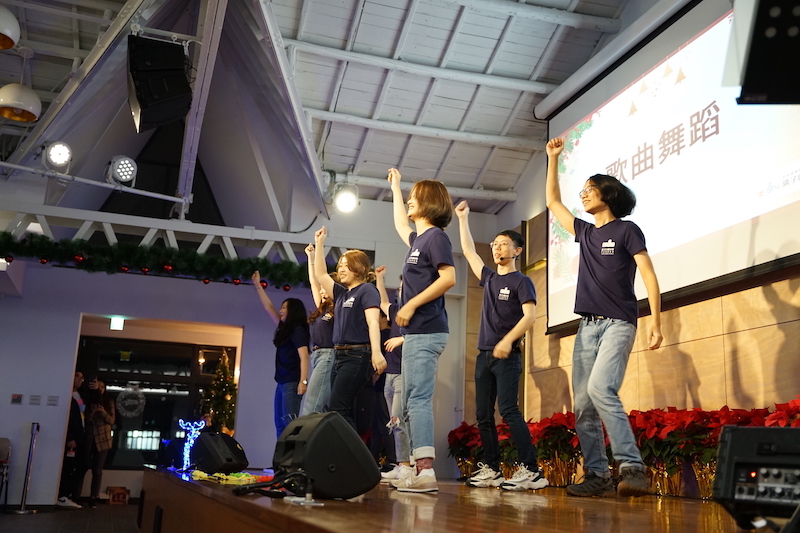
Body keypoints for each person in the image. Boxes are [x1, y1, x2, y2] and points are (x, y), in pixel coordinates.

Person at [545, 137, 663, 498]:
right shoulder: (585, 232)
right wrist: (553, 158)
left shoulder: (627, 230)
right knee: (583, 406)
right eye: (581, 190)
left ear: (608, 194)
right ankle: (597, 475)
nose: (583, 194)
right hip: (587, 327)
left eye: (590, 189)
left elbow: (648, 273)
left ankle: (633, 468)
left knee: (600, 389)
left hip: (618, 323)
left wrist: (656, 321)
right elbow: (553, 202)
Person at [455, 200, 549, 492]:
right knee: (483, 415)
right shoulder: (490, 277)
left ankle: (532, 470)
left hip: (508, 356)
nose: (497, 248)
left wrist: (508, 341)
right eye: (495, 244)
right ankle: (493, 469)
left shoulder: (522, 282)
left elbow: (530, 316)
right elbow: (469, 251)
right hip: (484, 355)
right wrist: (463, 219)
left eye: (504, 244)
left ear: (517, 251)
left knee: (509, 411)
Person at [388, 167, 456, 493]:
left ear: (429, 202)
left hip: (426, 330)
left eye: (414, 197)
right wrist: (395, 187)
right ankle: (415, 469)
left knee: (416, 400)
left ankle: (425, 472)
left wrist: (411, 305)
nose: (409, 201)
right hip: (416, 333)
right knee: (407, 404)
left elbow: (449, 278)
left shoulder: (437, 238)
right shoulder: (419, 240)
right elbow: (400, 224)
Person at [313, 226, 387, 431]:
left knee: (338, 408)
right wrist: (320, 243)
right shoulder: (341, 293)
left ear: (360, 268)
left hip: (358, 355)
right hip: (339, 356)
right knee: (339, 409)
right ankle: (349, 450)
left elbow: (373, 322)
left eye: (347, 265)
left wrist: (377, 352)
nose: (341, 269)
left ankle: (355, 451)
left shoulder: (367, 290)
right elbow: (320, 274)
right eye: (340, 265)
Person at [252, 271, 310, 438]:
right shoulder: (285, 329)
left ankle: (291, 454)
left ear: (293, 311)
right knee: (280, 424)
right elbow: (268, 307)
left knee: (289, 424)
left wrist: (303, 381)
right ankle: (280, 455)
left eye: (284, 308)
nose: (281, 310)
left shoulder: (298, 330)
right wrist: (258, 285)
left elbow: (304, 357)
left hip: (292, 382)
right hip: (282, 382)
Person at [374, 265, 411, 484]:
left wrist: (402, 339)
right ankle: (401, 464)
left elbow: (421, 336)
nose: (400, 290)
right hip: (390, 374)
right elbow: (382, 302)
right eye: (399, 287)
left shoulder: (416, 313)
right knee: (393, 422)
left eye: (404, 287)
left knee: (398, 420)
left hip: (403, 374)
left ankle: (405, 465)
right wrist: (380, 278)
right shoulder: (396, 310)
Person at [300, 243, 335, 416]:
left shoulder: (339, 308)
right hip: (317, 355)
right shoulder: (322, 308)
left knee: (312, 404)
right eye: (320, 289)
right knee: (321, 405)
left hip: (328, 355)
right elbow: (313, 281)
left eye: (324, 288)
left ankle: (303, 432)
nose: (321, 291)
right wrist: (310, 257)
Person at [83, 378, 115, 507]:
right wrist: (92, 413)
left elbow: (112, 420)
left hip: (103, 440)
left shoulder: (109, 402)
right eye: (98, 387)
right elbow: (85, 420)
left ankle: (93, 496)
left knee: (97, 470)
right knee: (83, 467)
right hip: (90, 438)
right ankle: (76, 495)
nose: (100, 389)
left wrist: (103, 413)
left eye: (102, 387)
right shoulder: (89, 401)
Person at [56, 371, 86, 509]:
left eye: (82, 378)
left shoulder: (81, 396)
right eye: (77, 376)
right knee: (69, 466)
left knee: (82, 465)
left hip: (81, 435)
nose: (80, 379)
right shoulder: (66, 396)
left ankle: (65, 494)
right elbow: (64, 418)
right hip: (72, 438)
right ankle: (62, 495)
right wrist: (70, 437)